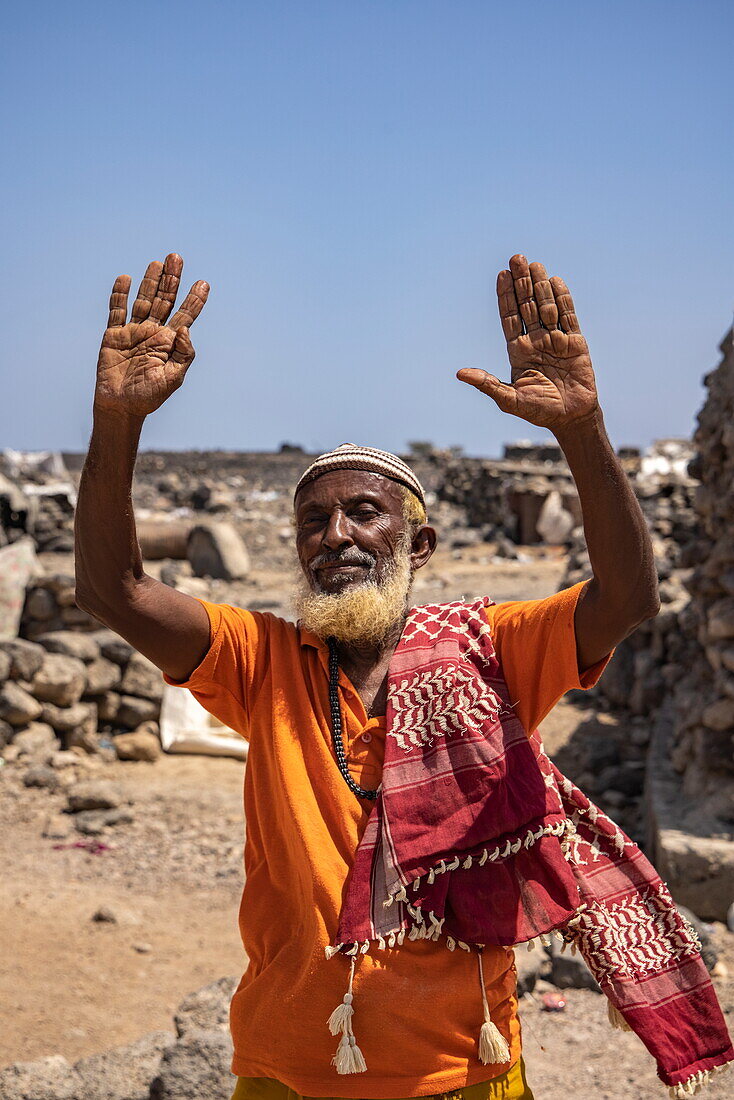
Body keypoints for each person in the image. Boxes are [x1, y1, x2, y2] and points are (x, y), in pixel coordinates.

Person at [74, 254, 732, 1100]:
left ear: (417, 548)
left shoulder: (489, 650)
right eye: (314, 521)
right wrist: (115, 419)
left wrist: (581, 427)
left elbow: (628, 596)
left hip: (464, 1071)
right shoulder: (262, 659)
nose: (337, 535)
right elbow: (111, 589)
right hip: (289, 1068)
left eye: (364, 513)